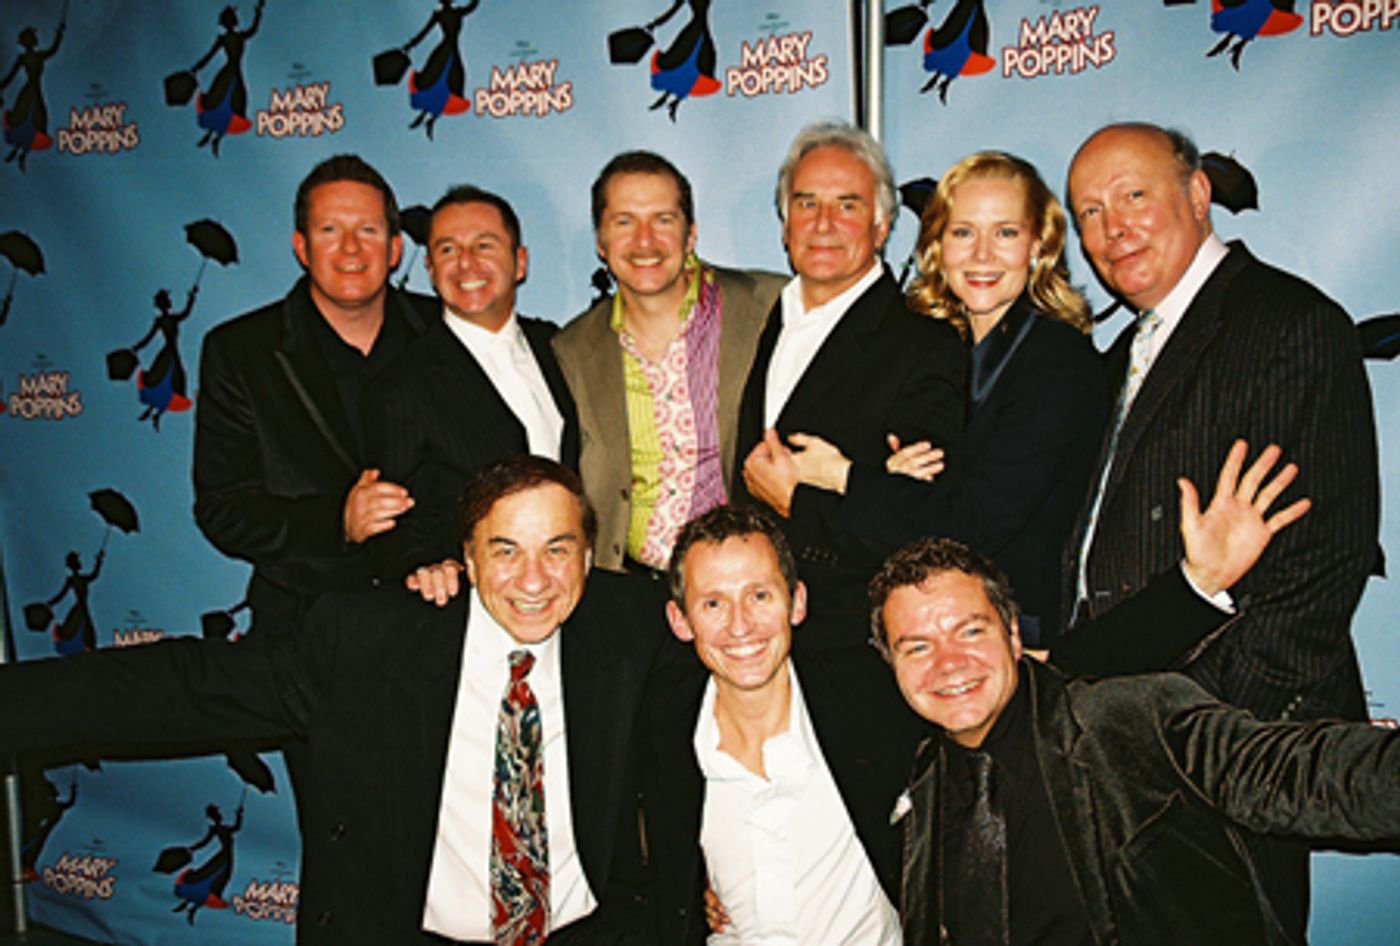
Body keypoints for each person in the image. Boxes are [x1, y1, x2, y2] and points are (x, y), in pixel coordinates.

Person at [0, 456, 659, 946]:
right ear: (467, 557)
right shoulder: (374, 641)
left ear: (588, 557)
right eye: (505, 550)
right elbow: (189, 683)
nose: (534, 580)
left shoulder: (632, 625)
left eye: (557, 549)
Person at [1063, 122, 1380, 939]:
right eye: (1089, 213)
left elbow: (1324, 557)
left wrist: (1222, 732)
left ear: (1199, 193)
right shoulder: (1118, 354)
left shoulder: (1288, 322)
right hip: (1115, 736)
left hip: (1223, 751)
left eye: (1134, 196)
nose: (1112, 229)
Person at [872, 537, 1400, 946]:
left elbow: (1293, 773)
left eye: (970, 631)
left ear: (1012, 635)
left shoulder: (1127, 719)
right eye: (917, 647)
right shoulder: (920, 791)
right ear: (891, 664)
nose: (949, 664)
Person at [781, 151, 1108, 647]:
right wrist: (891, 478)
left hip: (1018, 642)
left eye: (1005, 233)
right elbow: (935, 499)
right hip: (945, 626)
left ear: (1038, 245)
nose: (982, 255)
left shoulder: (1057, 361)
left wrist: (842, 476)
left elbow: (972, 524)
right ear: (937, 244)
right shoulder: (951, 351)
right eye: (963, 233)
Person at [642, 504, 927, 944]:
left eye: (759, 596)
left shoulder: (868, 700)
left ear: (797, 602)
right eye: (713, 603)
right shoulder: (662, 727)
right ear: (680, 621)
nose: (740, 625)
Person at [735, 121, 967, 626]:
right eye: (806, 203)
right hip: (752, 629)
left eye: (847, 205)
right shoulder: (763, 320)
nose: (823, 224)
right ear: (784, 225)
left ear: (882, 227)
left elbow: (923, 524)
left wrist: (800, 501)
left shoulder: (926, 346)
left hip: (854, 632)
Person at [195, 153, 436, 634]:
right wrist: (336, 522)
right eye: (329, 230)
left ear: (394, 249)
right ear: (301, 247)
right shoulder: (241, 352)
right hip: (301, 628)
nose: (350, 248)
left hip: (431, 620)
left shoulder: (446, 334)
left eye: (368, 230)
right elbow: (223, 509)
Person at [553, 151, 784, 577]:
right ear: (601, 242)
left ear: (690, 234)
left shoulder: (770, 307)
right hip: (626, 586)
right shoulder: (572, 349)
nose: (645, 241)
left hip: (739, 582)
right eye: (624, 221)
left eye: (663, 219)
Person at [360, 185, 576, 583]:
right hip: (472, 595)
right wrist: (427, 566)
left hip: (573, 583)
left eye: (484, 245)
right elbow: (394, 523)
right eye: (448, 249)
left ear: (520, 262)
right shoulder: (400, 383)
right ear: (430, 269)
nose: (466, 263)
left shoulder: (559, 346)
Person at [189, 0, 265, 155]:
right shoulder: (223, 39)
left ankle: (217, 137)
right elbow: (210, 55)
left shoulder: (240, 36)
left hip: (235, 71)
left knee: (234, 103)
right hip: (229, 71)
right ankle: (210, 133)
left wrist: (258, 11)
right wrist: (197, 67)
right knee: (219, 99)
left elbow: (254, 29)